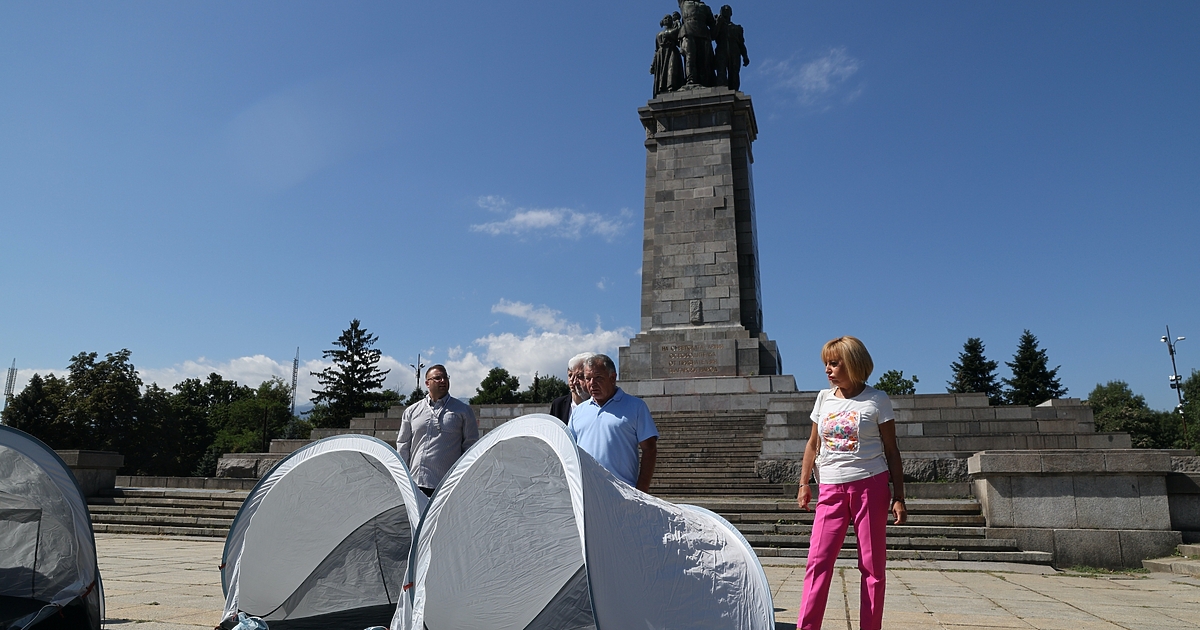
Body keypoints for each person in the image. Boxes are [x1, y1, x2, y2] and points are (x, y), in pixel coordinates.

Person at [796, 336, 906, 630]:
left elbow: (892, 450)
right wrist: (804, 483)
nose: (827, 370)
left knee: (872, 567)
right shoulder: (824, 398)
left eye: (834, 363)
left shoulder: (877, 400)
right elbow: (812, 444)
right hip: (830, 489)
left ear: (853, 363)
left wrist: (899, 497)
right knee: (817, 563)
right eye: (826, 364)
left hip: (870, 486)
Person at [566, 354, 659, 492]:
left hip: (623, 493)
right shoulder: (578, 412)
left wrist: (642, 489)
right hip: (587, 493)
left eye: (598, 378)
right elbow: (569, 451)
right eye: (588, 378)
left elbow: (649, 449)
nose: (592, 383)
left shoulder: (636, 407)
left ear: (612, 378)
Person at [397, 364, 479, 496]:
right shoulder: (412, 411)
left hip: (447, 485)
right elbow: (403, 445)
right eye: (437, 378)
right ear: (427, 383)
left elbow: (470, 445)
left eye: (445, 377)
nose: (443, 381)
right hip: (416, 482)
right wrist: (402, 477)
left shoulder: (463, 410)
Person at [676, 0, 716, 87]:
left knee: (704, 59)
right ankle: (691, 79)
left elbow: (712, 23)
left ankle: (704, 81)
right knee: (690, 57)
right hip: (688, 31)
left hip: (703, 32)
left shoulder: (705, 7)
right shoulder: (684, 3)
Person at [550, 352, 594, 424]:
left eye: (580, 376)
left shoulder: (598, 403)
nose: (573, 380)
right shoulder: (558, 404)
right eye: (570, 375)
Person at [713, 5, 749, 91]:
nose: (726, 12)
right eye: (724, 10)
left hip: (735, 52)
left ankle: (734, 91)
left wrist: (745, 56)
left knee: (734, 73)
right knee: (721, 71)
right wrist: (718, 22)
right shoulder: (718, 25)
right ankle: (722, 90)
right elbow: (713, 36)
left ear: (731, 13)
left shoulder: (737, 28)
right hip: (721, 51)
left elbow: (741, 44)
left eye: (727, 10)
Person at [650, 14, 684, 96]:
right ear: (663, 21)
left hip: (672, 51)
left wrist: (678, 21)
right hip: (661, 54)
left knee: (672, 69)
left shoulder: (674, 31)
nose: (668, 19)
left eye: (669, 18)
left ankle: (672, 87)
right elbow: (656, 49)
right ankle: (662, 88)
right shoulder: (659, 34)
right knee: (663, 73)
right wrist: (653, 65)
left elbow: (679, 32)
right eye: (666, 18)